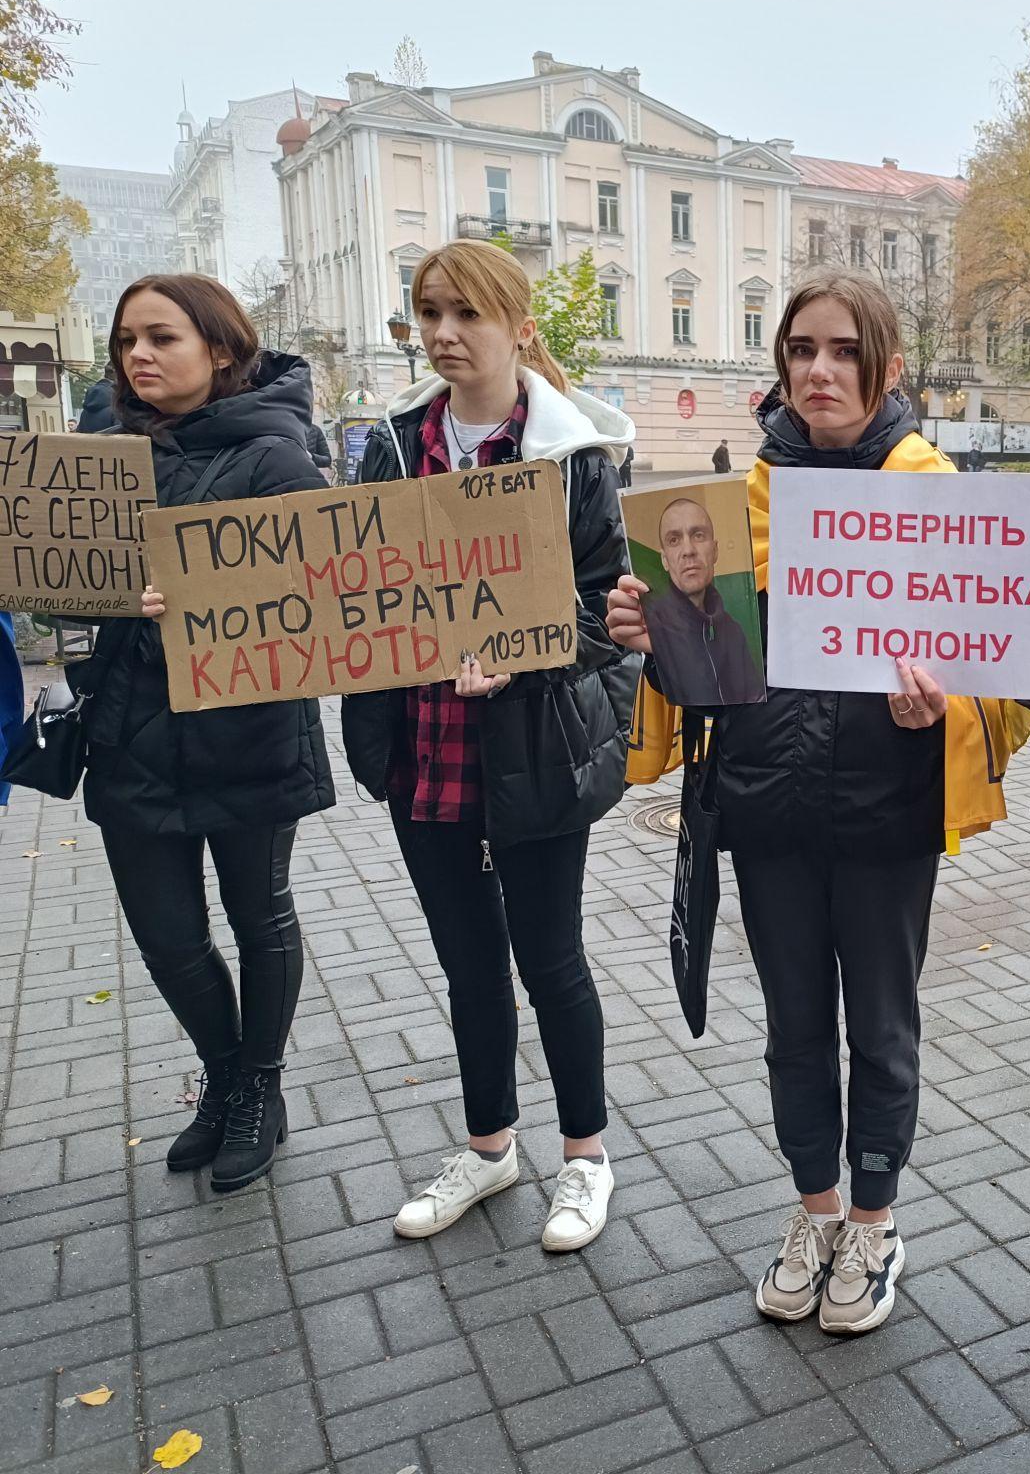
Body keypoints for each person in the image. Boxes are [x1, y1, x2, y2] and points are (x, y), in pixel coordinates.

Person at [608, 270, 1020, 1336]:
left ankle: (874, 1223)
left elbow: (1009, 670)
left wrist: (947, 711)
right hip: (767, 811)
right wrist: (654, 638)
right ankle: (816, 1213)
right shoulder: (732, 509)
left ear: (887, 368)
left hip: (887, 813)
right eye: (801, 351)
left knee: (879, 1028)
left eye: (844, 351)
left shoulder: (940, 495)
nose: (820, 371)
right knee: (794, 1029)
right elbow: (701, 679)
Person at [340, 239, 639, 1254]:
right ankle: (488, 1146)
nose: (443, 333)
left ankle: (585, 1156)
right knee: (468, 966)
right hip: (423, 747)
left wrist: (527, 654)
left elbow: (609, 607)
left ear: (519, 328)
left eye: (466, 313)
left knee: (552, 961)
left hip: (536, 746)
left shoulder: (572, 458)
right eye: (429, 311)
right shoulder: (392, 447)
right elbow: (348, 585)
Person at [78, 274, 333, 1192]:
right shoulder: (99, 460)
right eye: (126, 341)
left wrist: (205, 596)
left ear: (220, 350)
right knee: (168, 937)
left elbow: (324, 598)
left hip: (247, 729)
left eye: (161, 338)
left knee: (259, 916)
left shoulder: (275, 457)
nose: (137, 356)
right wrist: (104, 594)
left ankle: (259, 1087)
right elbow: (59, 589)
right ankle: (223, 1077)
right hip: (132, 731)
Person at [641, 493, 765, 705]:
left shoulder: (733, 631)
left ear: (715, 550)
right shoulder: (653, 624)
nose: (688, 551)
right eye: (674, 540)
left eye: (698, 536)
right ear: (664, 560)